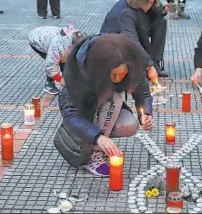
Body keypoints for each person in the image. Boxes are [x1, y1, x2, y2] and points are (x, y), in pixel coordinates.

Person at [54, 33, 154, 176]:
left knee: (129, 124)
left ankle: (99, 144)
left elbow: (143, 93)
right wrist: (98, 137)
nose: (119, 79)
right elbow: (70, 113)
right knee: (113, 99)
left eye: (123, 73)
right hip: (84, 113)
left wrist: (145, 113)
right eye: (114, 75)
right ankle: (95, 152)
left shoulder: (125, 56)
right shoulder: (78, 70)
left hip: (104, 108)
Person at [100, 0, 166, 78]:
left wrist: (161, 10)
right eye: (150, 2)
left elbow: (153, 13)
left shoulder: (137, 5)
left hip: (129, 38)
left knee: (161, 21)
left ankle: (155, 62)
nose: (151, 5)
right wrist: (149, 65)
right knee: (138, 76)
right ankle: (148, 66)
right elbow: (133, 41)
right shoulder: (126, 13)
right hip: (115, 46)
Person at [28, 24, 84, 95]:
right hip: (36, 39)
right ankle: (49, 84)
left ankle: (68, 81)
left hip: (47, 32)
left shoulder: (79, 35)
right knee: (56, 62)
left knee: (65, 61)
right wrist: (61, 80)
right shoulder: (58, 46)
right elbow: (50, 67)